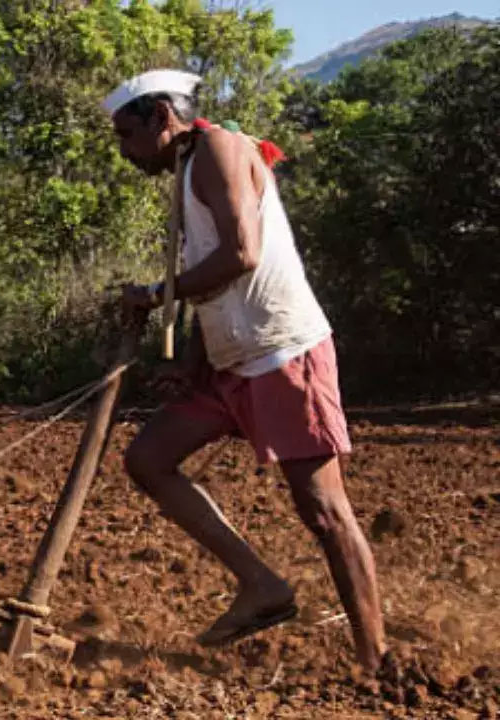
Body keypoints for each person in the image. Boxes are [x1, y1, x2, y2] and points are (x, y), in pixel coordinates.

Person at [104, 69, 387, 670]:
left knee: (324, 510)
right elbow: (216, 281)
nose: (124, 152)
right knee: (148, 459)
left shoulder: (219, 149)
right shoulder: (188, 170)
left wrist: (154, 295)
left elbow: (242, 253)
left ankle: (375, 661)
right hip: (230, 363)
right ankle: (262, 585)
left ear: (161, 117)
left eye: (126, 135)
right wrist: (192, 363)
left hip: (283, 353)